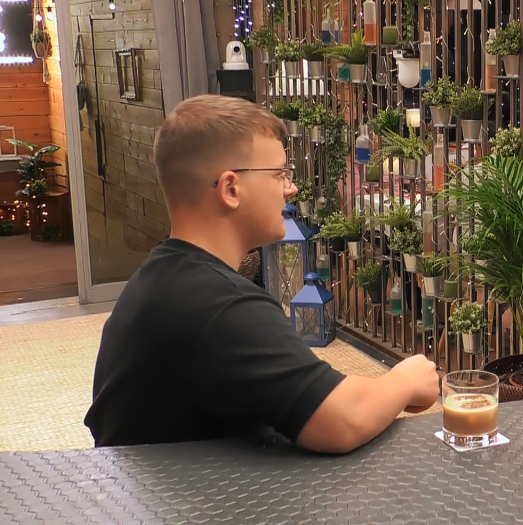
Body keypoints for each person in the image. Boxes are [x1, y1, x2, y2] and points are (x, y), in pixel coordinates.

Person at [84, 95, 439, 453]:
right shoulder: (221, 306)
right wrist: (404, 381)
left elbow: (312, 390)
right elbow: (342, 419)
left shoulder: (157, 280)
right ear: (231, 189)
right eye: (279, 173)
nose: (291, 188)